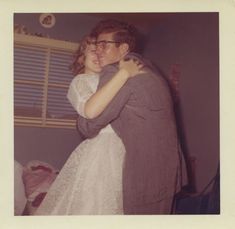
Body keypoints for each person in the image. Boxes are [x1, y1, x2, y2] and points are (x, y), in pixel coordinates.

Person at [77, 19, 188, 214]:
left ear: (123, 48)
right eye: (96, 45)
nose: (98, 50)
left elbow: (88, 127)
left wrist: (81, 113)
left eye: (104, 44)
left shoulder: (115, 71)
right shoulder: (149, 68)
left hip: (146, 176)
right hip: (170, 171)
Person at [34, 36, 143, 215]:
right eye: (93, 50)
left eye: (102, 50)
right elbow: (89, 110)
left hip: (124, 145)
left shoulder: (109, 79)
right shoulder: (80, 81)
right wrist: (123, 75)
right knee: (94, 200)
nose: (98, 54)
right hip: (101, 149)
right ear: (80, 58)